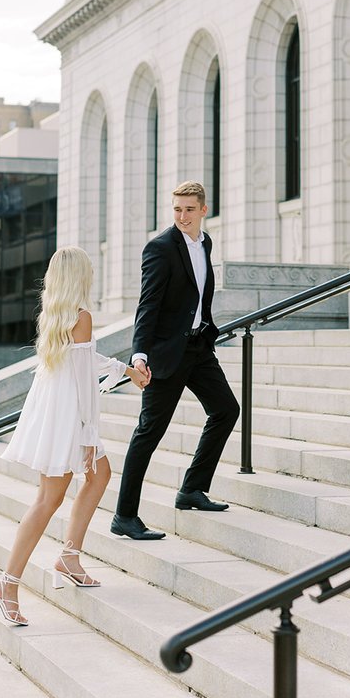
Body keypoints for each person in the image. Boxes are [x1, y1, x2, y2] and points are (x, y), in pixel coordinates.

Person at [0, 245, 148, 626]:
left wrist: (125, 370)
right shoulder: (82, 316)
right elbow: (84, 382)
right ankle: (7, 585)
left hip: (55, 412)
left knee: (99, 475)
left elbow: (84, 362)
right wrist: (89, 434)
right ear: (80, 277)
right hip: (70, 417)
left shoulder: (56, 314)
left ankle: (69, 557)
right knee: (48, 500)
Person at [111, 181, 240, 540]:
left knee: (227, 409)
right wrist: (139, 356)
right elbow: (147, 305)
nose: (182, 216)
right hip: (167, 355)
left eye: (188, 209)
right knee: (149, 432)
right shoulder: (160, 248)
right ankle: (124, 516)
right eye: (176, 209)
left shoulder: (205, 243)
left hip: (199, 349)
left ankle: (191, 490)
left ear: (203, 210)